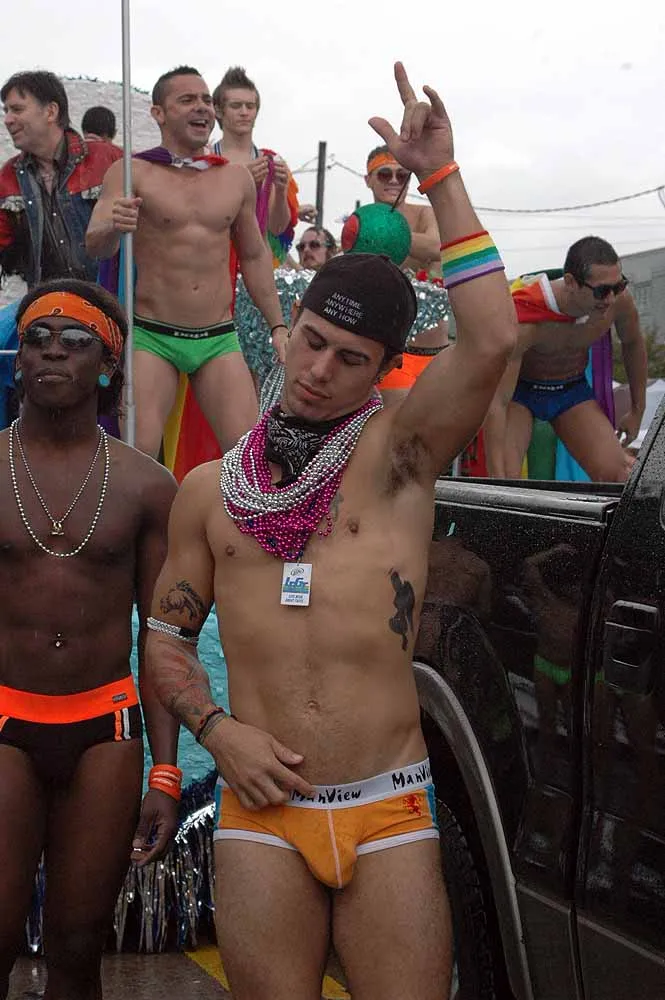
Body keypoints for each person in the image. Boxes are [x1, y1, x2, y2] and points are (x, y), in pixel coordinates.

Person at [146, 62, 517, 1000]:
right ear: (289, 326)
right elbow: (165, 639)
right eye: (310, 341)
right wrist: (216, 732)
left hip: (386, 807)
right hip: (261, 813)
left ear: (384, 369)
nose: (317, 370)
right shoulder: (208, 492)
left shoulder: (400, 460)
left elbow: (490, 340)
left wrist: (440, 176)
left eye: (350, 359)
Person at [0, 279, 180, 1000]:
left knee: (78, 946)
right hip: (4, 722)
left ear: (106, 366)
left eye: (74, 341)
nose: (52, 352)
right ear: (17, 360)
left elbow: (163, 638)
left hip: (105, 729)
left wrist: (165, 774)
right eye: (36, 339)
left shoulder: (147, 487)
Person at [86, 66, 287, 461]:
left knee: (249, 460)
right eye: (187, 100)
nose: (202, 108)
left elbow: (254, 255)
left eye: (207, 100)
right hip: (152, 336)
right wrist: (113, 225)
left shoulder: (235, 179)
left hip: (217, 337)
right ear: (158, 113)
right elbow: (96, 244)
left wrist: (278, 326)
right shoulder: (131, 172)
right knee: (138, 458)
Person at [484, 237, 647, 481]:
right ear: (570, 282)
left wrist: (637, 410)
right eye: (602, 291)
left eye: (619, 286)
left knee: (620, 476)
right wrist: (496, 478)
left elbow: (633, 343)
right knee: (506, 480)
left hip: (571, 390)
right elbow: (498, 400)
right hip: (520, 393)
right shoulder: (527, 316)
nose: (611, 299)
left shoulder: (618, 303)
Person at [0, 71, 121, 287]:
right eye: (6, 111)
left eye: (17, 109)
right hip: (47, 302)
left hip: (111, 298)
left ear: (51, 111)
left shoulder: (108, 158)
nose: (7, 120)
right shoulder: (7, 176)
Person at [364, 142, 450, 405]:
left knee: (442, 428)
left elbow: (437, 247)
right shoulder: (362, 222)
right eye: (384, 174)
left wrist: (384, 235)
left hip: (435, 352)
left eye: (402, 175)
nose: (394, 180)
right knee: (399, 426)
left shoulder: (424, 214)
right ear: (368, 180)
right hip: (390, 355)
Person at [211, 66, 299, 264]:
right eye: (236, 106)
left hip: (257, 264)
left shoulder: (269, 161)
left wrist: (281, 190)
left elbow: (277, 228)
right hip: (215, 263)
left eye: (250, 106)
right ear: (218, 110)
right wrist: (240, 184)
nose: (244, 112)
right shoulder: (207, 159)